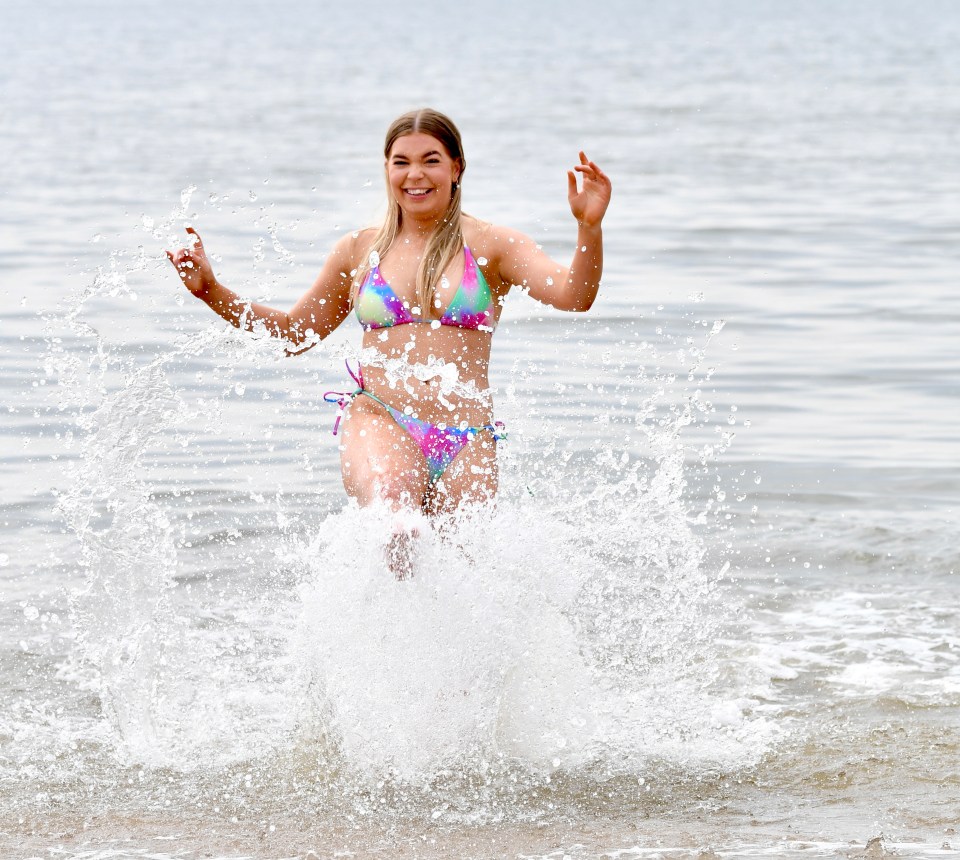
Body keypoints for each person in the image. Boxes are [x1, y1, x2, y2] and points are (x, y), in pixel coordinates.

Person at [167, 108, 611, 574]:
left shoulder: (493, 246)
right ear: (386, 168)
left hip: (468, 438)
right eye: (401, 162)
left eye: (431, 160)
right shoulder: (359, 250)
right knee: (397, 518)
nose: (415, 174)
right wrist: (211, 293)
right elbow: (296, 333)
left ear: (456, 167)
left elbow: (573, 295)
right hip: (381, 418)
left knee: (465, 580)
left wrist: (589, 227)